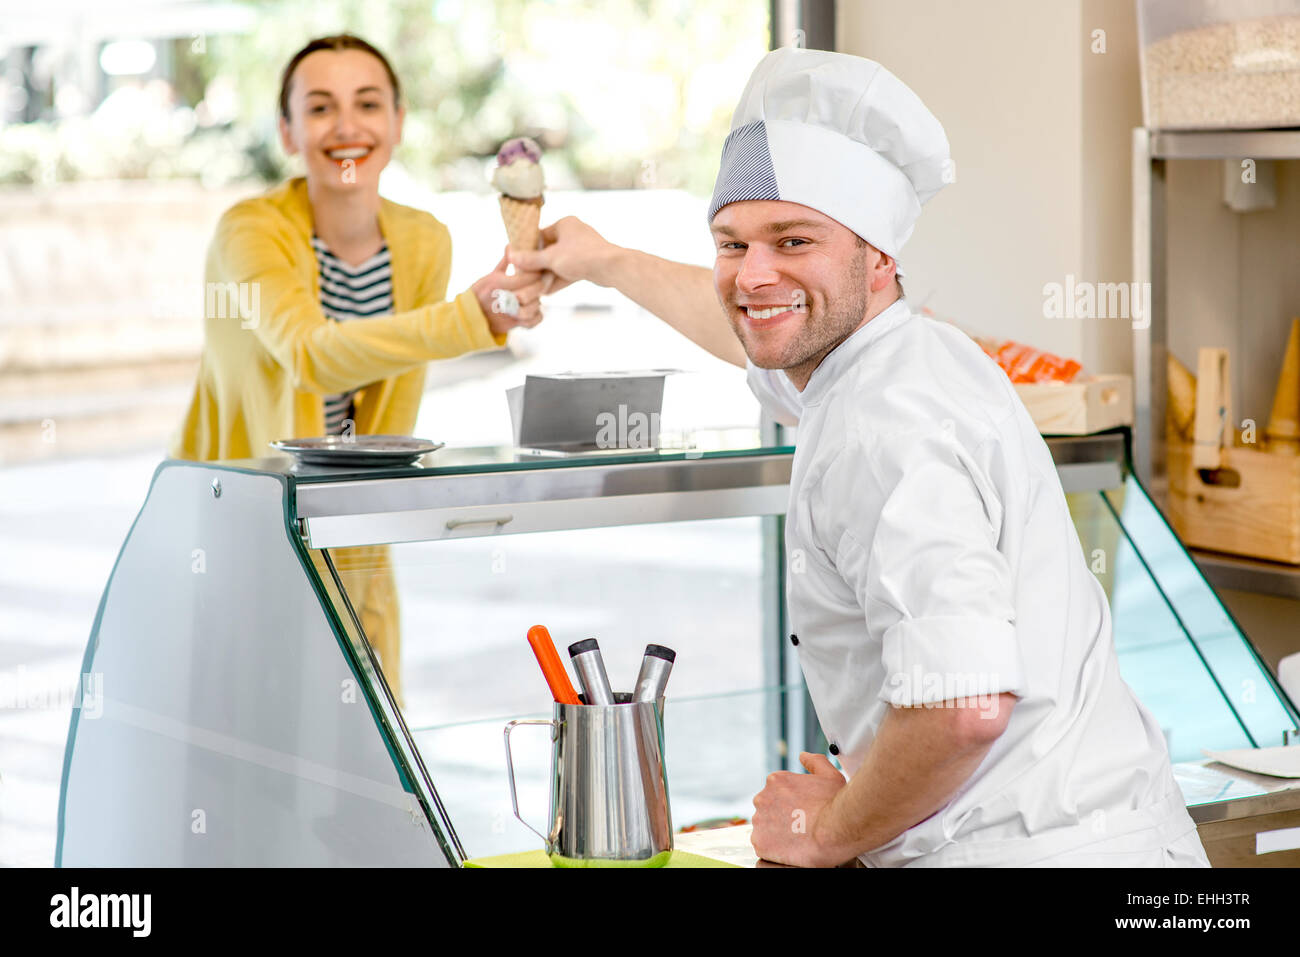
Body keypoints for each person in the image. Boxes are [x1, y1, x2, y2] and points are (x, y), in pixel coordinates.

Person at [513, 48, 1210, 868]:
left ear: (878, 258)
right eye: (731, 243)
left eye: (793, 238)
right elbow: (754, 322)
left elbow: (967, 704)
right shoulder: (891, 359)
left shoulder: (883, 424)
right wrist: (605, 262)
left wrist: (828, 828)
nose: (753, 273)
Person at [169, 34, 547, 704]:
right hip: (236, 535)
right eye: (319, 108)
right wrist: (472, 318)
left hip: (354, 532)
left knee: (366, 753)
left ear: (397, 124)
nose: (347, 126)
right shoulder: (248, 232)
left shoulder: (424, 239)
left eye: (368, 103)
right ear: (288, 132)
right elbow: (309, 355)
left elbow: (387, 390)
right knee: (247, 749)